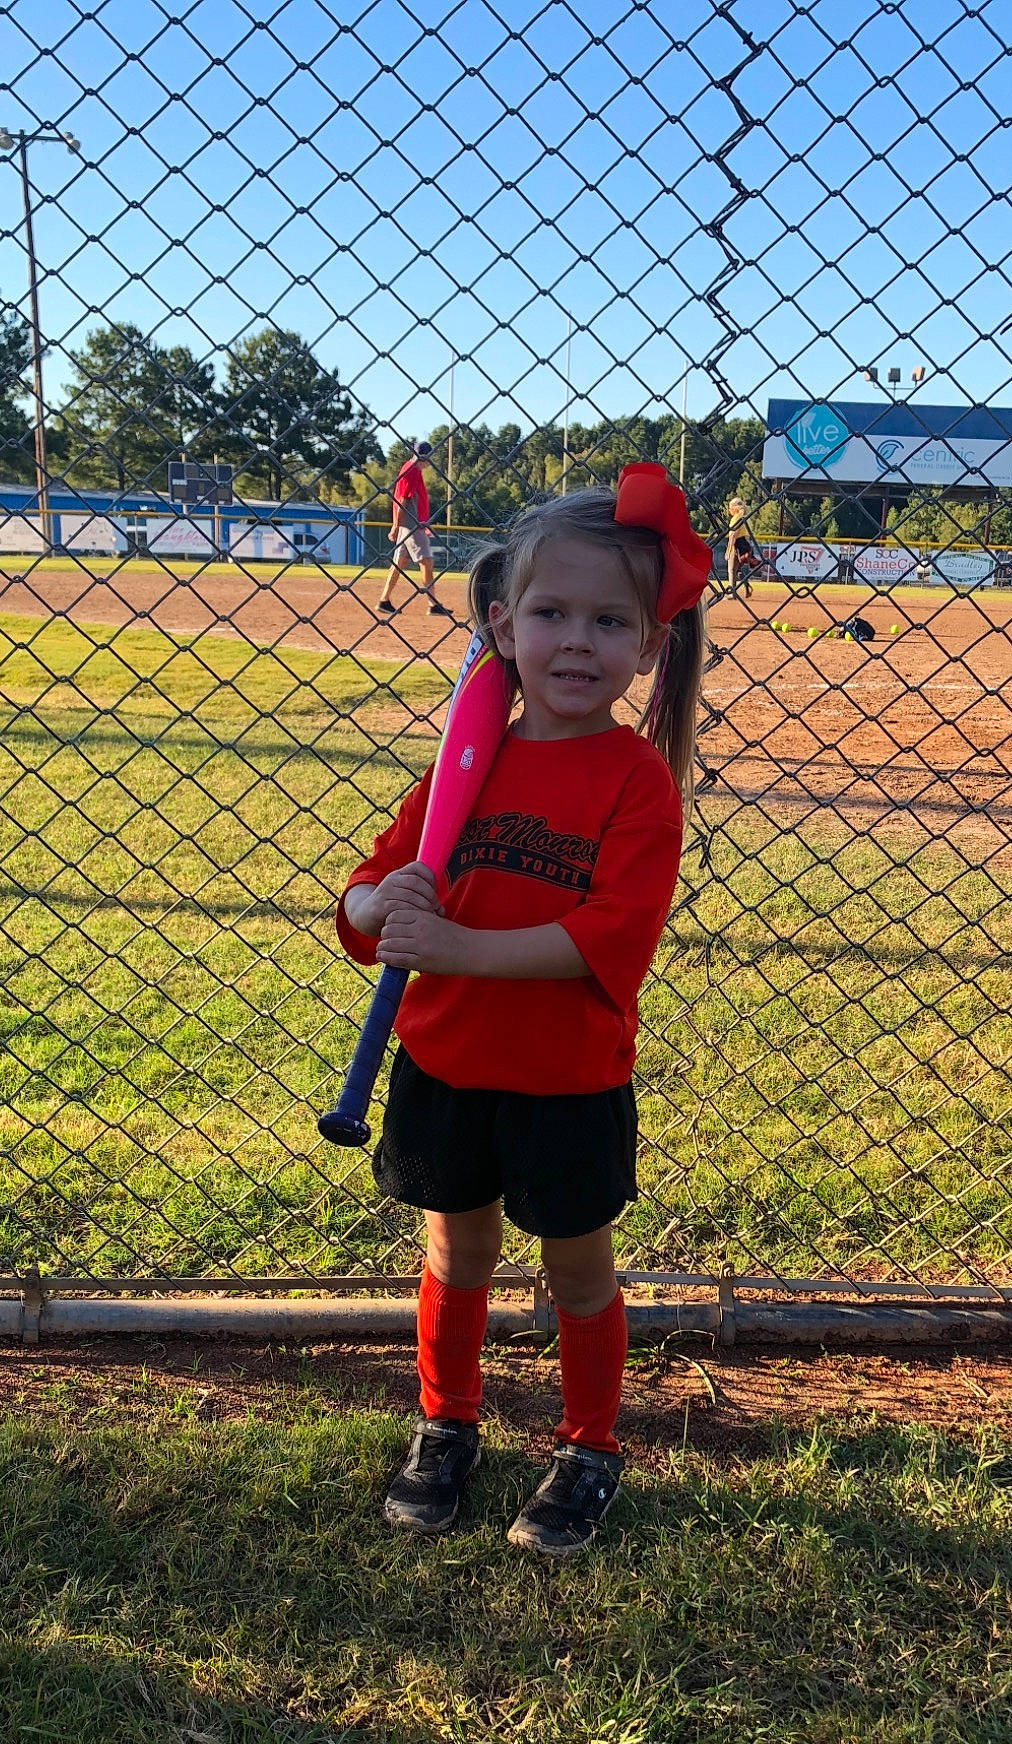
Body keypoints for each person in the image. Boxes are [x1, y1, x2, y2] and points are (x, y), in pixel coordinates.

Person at [335, 465, 710, 1556]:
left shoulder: (637, 782)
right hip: (446, 1062)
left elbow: (607, 943)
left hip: (568, 1077)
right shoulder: (465, 758)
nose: (578, 641)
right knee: (456, 1249)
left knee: (576, 1266)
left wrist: (456, 944)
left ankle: (590, 1444)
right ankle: (445, 1421)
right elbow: (366, 895)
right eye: (551, 613)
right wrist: (380, 898)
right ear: (503, 623)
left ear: (649, 645)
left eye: (611, 619)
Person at [378, 439, 449, 616]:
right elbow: (403, 500)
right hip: (411, 525)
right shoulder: (412, 471)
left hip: (411, 525)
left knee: (399, 563)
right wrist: (396, 526)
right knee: (426, 561)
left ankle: (384, 600)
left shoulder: (409, 468)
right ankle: (433, 605)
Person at [724, 496, 759, 597]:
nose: (729, 510)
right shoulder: (746, 518)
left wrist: (728, 550)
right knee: (737, 569)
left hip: (737, 545)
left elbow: (733, 535)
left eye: (730, 507)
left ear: (735, 508)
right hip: (746, 545)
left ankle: (732, 593)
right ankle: (746, 585)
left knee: (731, 569)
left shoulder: (736, 518)